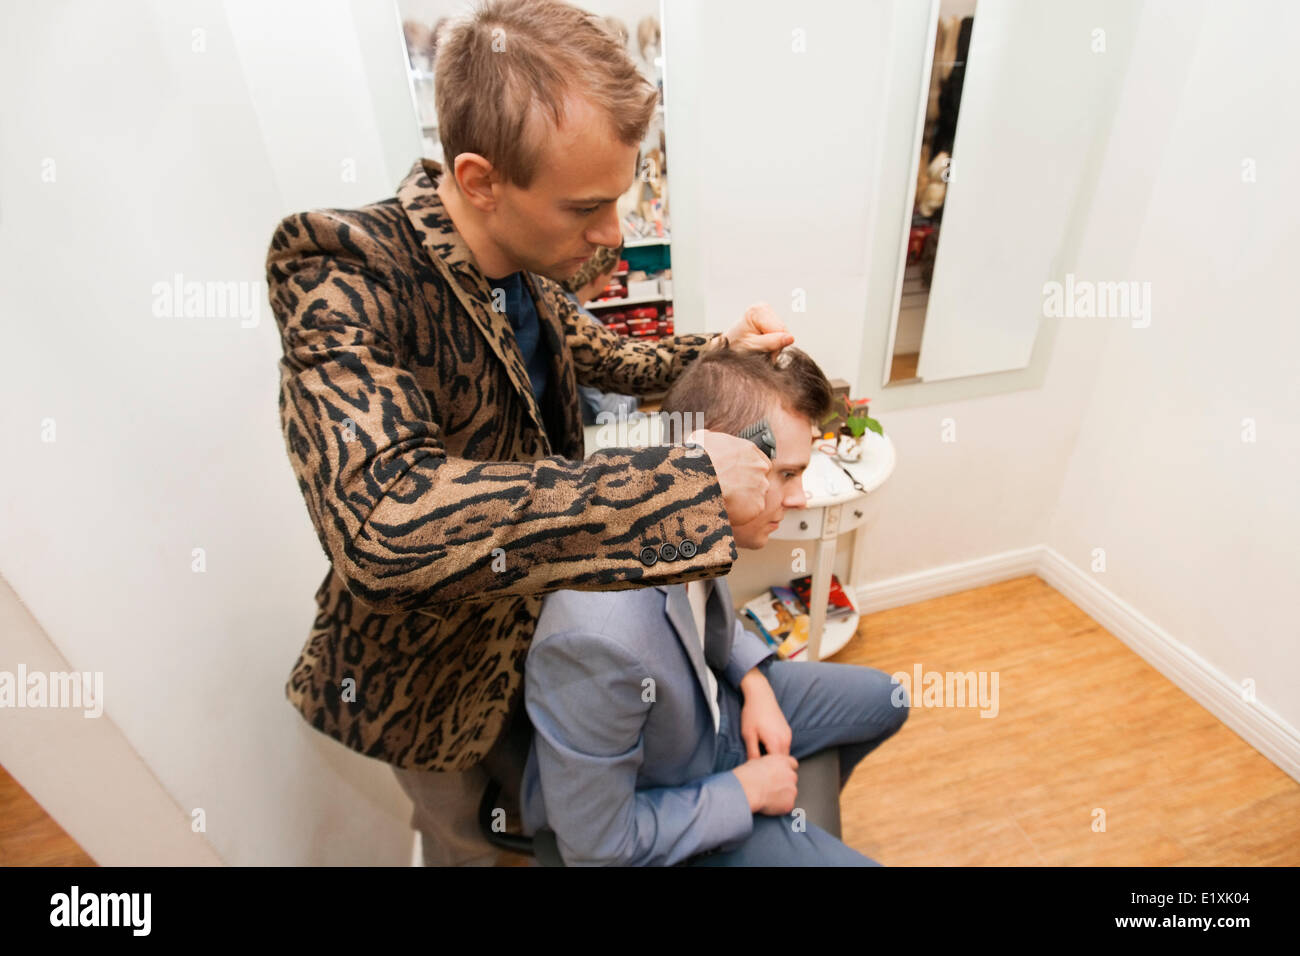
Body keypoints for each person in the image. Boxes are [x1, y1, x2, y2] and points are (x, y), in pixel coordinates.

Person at [265, 0, 793, 866]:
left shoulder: (524, 269)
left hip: (539, 641)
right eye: (586, 207)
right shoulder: (344, 265)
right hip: (431, 679)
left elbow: (614, 357)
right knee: (473, 845)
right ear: (479, 180)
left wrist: (721, 347)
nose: (611, 235)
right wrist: (683, 484)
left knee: (551, 824)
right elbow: (383, 519)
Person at [520, 348, 910, 865]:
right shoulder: (596, 639)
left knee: (888, 699)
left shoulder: (692, 516)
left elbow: (705, 626)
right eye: (787, 474)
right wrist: (745, 793)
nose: (798, 497)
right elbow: (599, 850)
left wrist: (754, 685)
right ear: (720, 466)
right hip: (668, 790)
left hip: (717, 708)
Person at [559, 243, 642, 424]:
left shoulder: (556, 308)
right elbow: (614, 414)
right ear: (599, 275)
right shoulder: (586, 326)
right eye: (611, 274)